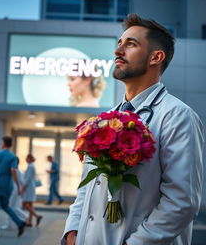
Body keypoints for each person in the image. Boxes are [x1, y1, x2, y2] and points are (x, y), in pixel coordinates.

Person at [62, 14, 204, 245]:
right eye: (119, 43)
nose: (118, 51)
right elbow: (87, 187)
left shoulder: (177, 116)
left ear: (156, 57)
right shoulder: (104, 121)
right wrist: (73, 232)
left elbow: (181, 202)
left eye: (131, 44)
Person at [0, 136, 26, 238]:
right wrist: (18, 186)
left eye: (1, 142)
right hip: (7, 185)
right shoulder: (12, 156)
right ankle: (19, 222)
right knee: (5, 205)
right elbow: (13, 171)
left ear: (4, 143)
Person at [1, 158, 28, 229]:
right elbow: (23, 182)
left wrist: (20, 189)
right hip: (16, 191)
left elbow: (22, 182)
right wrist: (21, 189)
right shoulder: (18, 171)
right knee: (14, 207)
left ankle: (9, 224)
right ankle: (23, 217)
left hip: (13, 191)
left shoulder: (13, 171)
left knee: (9, 207)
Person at [22, 154, 42, 227]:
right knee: (30, 204)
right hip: (31, 187)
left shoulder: (30, 166)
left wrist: (23, 187)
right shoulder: (32, 165)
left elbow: (28, 178)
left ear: (29, 159)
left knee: (24, 204)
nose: (25, 159)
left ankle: (37, 216)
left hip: (28, 187)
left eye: (26, 158)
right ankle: (30, 221)